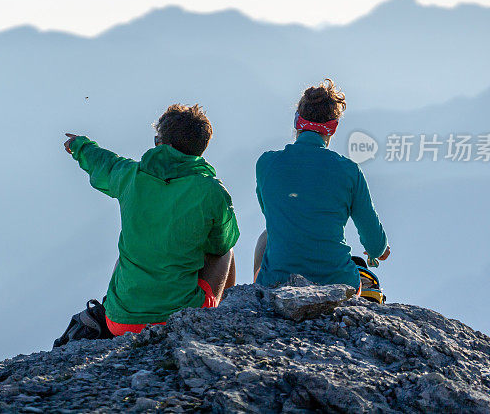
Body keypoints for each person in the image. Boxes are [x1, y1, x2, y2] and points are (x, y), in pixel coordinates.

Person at [64, 104, 239, 336]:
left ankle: (127, 305)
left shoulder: (130, 175)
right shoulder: (212, 191)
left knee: (134, 249)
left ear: (160, 143)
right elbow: (220, 245)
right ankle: (227, 313)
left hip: (120, 322)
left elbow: (103, 162)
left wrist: (79, 145)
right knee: (226, 251)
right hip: (181, 317)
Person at [253, 79, 390, 294]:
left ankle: (259, 295)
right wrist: (379, 252)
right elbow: (375, 244)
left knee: (267, 235)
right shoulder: (349, 171)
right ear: (333, 128)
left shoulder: (266, 164)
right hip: (337, 282)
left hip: (276, 282)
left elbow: (273, 213)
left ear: (297, 120)